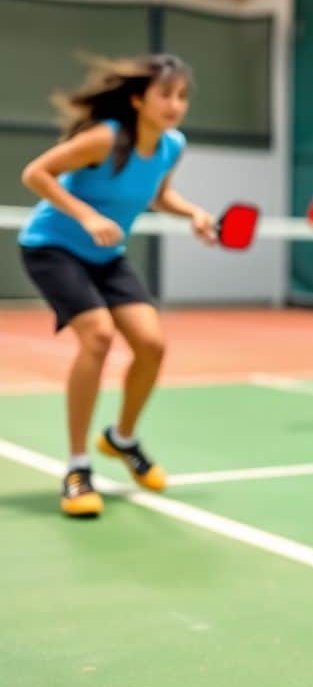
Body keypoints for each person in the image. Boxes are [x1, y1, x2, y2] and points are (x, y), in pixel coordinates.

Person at [19, 54, 215, 518]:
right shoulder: (105, 137)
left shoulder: (172, 145)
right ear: (137, 99)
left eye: (183, 96)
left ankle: (120, 439)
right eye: (165, 94)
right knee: (99, 337)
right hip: (54, 247)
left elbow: (161, 195)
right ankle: (77, 467)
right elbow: (36, 174)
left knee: (152, 344)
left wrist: (195, 214)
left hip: (106, 256)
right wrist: (87, 215)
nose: (175, 105)